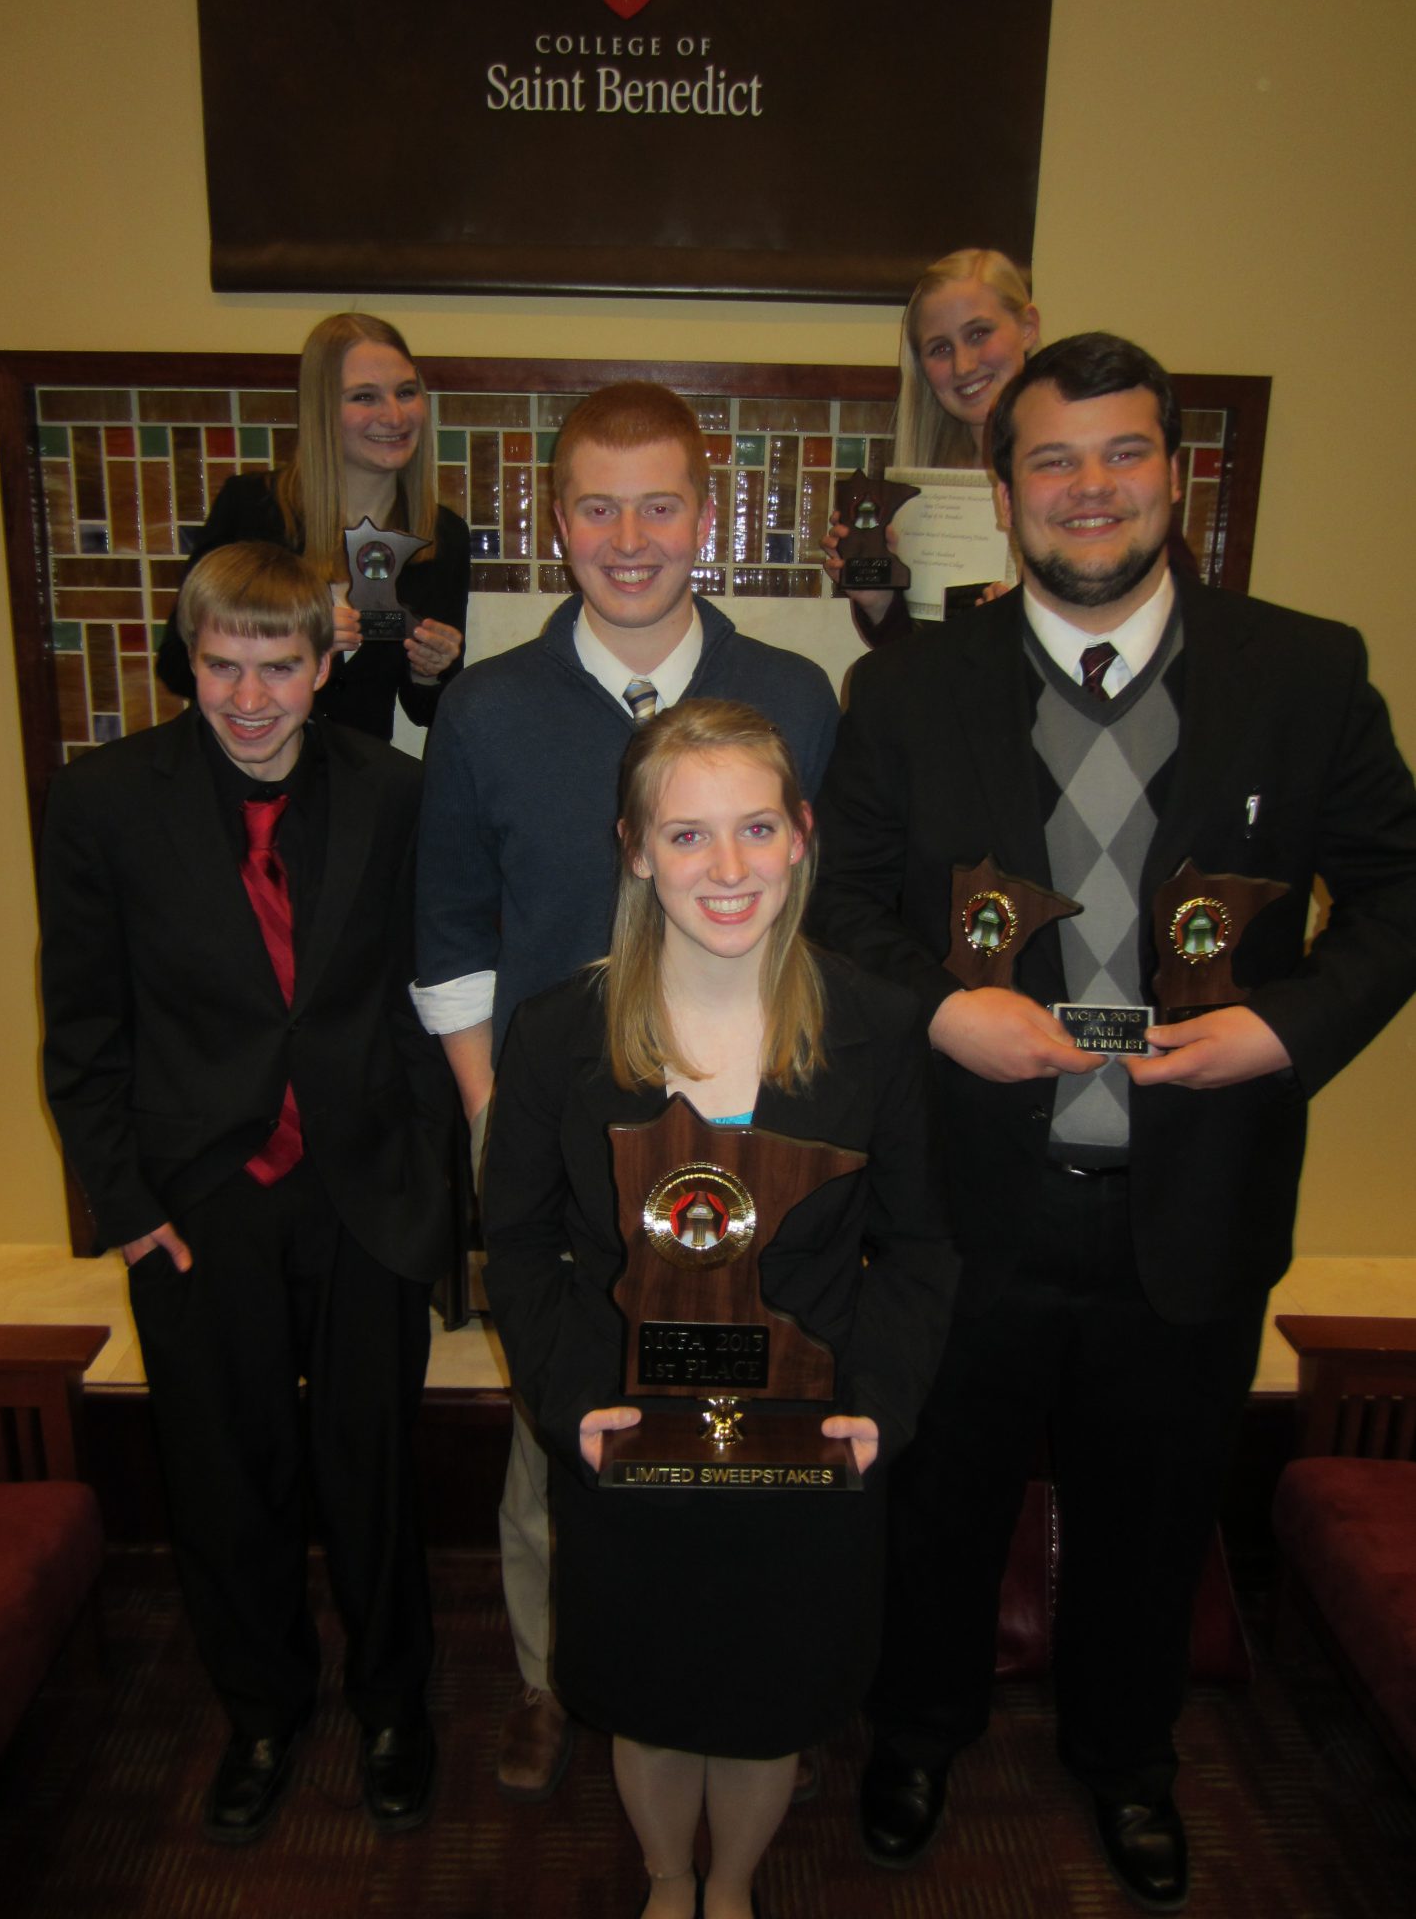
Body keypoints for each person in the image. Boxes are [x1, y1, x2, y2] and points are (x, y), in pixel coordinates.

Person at [811, 333, 1416, 1910]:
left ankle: (1127, 1761)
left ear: (1173, 472)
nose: (1092, 491)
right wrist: (943, 1012)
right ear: (1005, 493)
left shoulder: (1309, 670)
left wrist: (1282, 1031)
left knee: (1154, 1513)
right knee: (943, 1496)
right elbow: (845, 912)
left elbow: (1403, 894)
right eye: (1055, 463)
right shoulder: (907, 689)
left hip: (1198, 1193)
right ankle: (921, 1732)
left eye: (1125, 454)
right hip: (964, 1198)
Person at [414, 381, 840, 1799]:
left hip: (753, 1153)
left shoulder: (791, 695)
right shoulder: (485, 709)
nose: (630, 534)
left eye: (661, 501)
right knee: (563, 1443)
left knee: (749, 1434)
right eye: (596, 504)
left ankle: (737, 1690)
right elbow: (452, 943)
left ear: (705, 515)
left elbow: (825, 928)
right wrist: (498, 1134)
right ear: (556, 520)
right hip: (567, 1159)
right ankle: (555, 1682)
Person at [482, 700, 957, 1919]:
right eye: (686, 836)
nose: (728, 868)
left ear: (802, 835)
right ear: (634, 849)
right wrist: (574, 1396)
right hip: (631, 1436)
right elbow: (521, 1245)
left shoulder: (878, 1026)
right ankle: (663, 1877)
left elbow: (919, 1246)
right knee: (649, 1694)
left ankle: (733, 1888)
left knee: (763, 1710)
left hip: (806, 1438)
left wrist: (876, 1408)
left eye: (755, 826)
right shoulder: (554, 1037)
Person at [41, 542, 454, 1842]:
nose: (251, 697)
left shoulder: (394, 794)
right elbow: (84, 1026)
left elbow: (424, 1002)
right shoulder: (104, 801)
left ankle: (395, 1705)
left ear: (329, 664)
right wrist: (120, 1197)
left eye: (280, 665)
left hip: (361, 1187)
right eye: (222, 666)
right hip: (197, 1195)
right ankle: (263, 1709)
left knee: (373, 1470)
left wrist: (431, 1184)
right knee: (224, 1474)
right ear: (189, 661)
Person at [156, 312, 469, 739]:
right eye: (364, 397)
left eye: (406, 392)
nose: (395, 416)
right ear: (322, 409)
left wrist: (431, 672)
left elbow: (425, 710)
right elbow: (176, 664)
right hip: (241, 771)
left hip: (357, 781)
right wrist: (294, 633)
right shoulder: (253, 510)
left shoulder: (443, 535)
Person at [826, 248, 1039, 644]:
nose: (963, 366)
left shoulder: (1080, 487)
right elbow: (914, 664)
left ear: (1028, 327)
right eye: (940, 348)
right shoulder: (918, 495)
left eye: (979, 334)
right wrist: (878, 599)